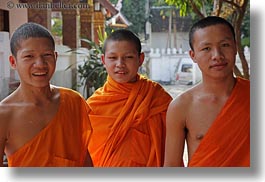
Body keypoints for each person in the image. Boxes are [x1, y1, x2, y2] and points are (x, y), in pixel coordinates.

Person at [0, 22, 93, 167]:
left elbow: (84, 157)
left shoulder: (73, 101)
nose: (40, 64)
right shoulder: (4, 115)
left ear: (55, 57)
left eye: (47, 55)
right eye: (29, 56)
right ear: (13, 62)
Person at [164, 16, 250, 167]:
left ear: (236, 47)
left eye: (225, 45)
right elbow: (171, 166)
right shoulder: (181, 107)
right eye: (206, 48)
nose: (217, 55)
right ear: (193, 55)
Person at [87, 29, 172, 167]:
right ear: (103, 60)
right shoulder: (93, 106)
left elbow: (171, 150)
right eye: (113, 58)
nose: (120, 64)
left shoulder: (156, 98)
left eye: (128, 57)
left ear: (141, 59)